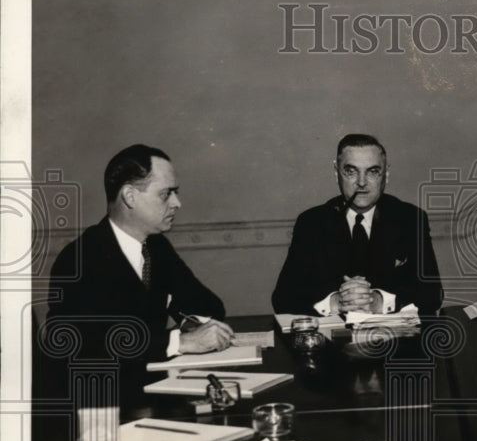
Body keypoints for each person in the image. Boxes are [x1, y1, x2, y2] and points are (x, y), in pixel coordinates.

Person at [46, 145, 232, 365]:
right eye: (166, 194)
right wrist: (180, 342)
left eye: (176, 192)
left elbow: (210, 306)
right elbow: (78, 344)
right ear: (130, 197)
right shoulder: (78, 259)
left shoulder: (157, 246)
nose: (177, 203)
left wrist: (193, 326)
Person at [272, 133, 443, 316]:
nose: (361, 183)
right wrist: (335, 302)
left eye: (373, 171)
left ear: (386, 174)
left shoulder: (410, 219)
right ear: (336, 172)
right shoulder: (312, 222)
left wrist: (379, 301)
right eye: (351, 171)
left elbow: (433, 294)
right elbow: (283, 298)